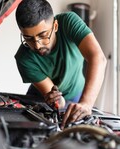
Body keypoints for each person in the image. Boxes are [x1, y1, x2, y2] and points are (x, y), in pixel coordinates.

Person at [15, 0, 107, 129]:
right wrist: (56, 100)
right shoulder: (24, 59)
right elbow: (59, 102)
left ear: (56, 26)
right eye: (28, 38)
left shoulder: (69, 22)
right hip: (42, 97)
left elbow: (98, 58)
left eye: (43, 35)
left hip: (77, 92)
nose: (37, 45)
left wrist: (86, 103)